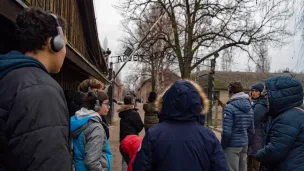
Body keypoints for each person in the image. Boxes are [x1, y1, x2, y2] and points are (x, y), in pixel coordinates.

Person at [0, 8, 71, 170]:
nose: (65, 52)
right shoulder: (42, 91)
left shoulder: (7, 77)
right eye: (65, 45)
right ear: (53, 42)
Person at [133, 80, 229, 171]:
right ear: (198, 104)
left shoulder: (153, 134)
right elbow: (221, 167)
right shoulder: (208, 136)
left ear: (165, 102)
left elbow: (140, 167)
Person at [256, 76, 304, 171]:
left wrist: (259, 155)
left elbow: (275, 151)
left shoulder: (287, 118)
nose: (266, 98)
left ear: (279, 95)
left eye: (267, 95)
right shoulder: (298, 112)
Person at [70, 90, 112, 171]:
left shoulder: (78, 119)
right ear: (97, 105)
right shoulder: (95, 127)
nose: (109, 106)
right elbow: (92, 162)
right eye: (107, 104)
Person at [221, 82, 254, 171]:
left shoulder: (230, 108)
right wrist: (245, 141)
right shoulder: (250, 108)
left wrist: (222, 146)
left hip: (232, 145)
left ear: (231, 92)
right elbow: (251, 130)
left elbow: (227, 132)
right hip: (244, 144)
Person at [118, 95, 144, 171]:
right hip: (132, 139)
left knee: (125, 159)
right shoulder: (133, 113)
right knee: (133, 158)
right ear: (132, 102)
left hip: (123, 139)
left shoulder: (122, 113)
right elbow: (140, 126)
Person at [247, 83, 268, 171]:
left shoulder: (260, 106)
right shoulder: (254, 103)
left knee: (255, 163)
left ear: (261, 93)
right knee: (249, 162)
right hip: (254, 134)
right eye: (252, 90)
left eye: (256, 91)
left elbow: (252, 120)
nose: (253, 93)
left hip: (258, 135)